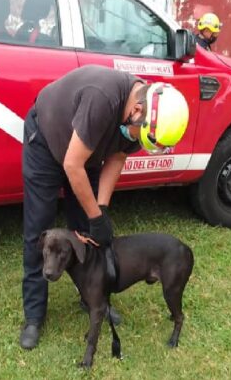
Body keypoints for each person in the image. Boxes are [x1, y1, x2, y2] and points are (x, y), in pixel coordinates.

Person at [19, 65, 189, 350]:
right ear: (135, 109)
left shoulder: (144, 118)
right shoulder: (102, 100)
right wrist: (96, 215)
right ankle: (34, 316)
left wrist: (101, 209)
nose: (135, 138)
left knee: (87, 230)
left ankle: (92, 298)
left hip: (87, 151)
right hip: (47, 142)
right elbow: (72, 164)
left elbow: (117, 158)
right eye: (137, 133)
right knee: (39, 229)